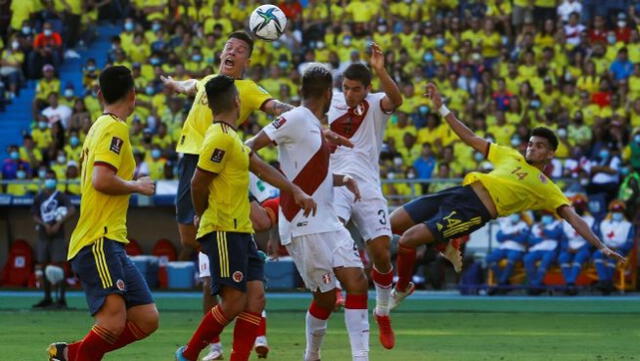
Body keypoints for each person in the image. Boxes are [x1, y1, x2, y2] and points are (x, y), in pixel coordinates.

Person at [389, 83, 625, 309]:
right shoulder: (511, 155)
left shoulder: (547, 187)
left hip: (473, 211)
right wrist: (441, 107)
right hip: (459, 193)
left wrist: (601, 245)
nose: (532, 147)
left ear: (551, 154)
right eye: (531, 143)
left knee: (408, 240)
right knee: (391, 224)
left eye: (540, 146)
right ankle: (444, 242)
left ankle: (401, 287)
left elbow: (574, 218)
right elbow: (470, 138)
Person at [175, 75, 316, 361]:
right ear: (237, 101)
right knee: (233, 302)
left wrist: (295, 190)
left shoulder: (232, 139)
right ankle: (189, 354)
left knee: (255, 299)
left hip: (241, 231)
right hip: (224, 229)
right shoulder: (218, 138)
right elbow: (197, 182)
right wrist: (201, 214)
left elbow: (263, 169)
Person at [247, 63, 370, 361]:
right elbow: (246, 149)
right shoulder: (294, 119)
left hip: (328, 221)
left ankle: (361, 358)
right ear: (329, 93)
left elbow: (307, 170)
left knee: (357, 282)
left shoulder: (313, 124)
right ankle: (311, 355)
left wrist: (342, 179)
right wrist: (285, 191)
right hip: (303, 225)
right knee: (325, 299)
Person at [47, 66, 158, 361]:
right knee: (111, 322)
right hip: (99, 238)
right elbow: (101, 179)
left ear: (99, 95)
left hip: (111, 240)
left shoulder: (98, 125)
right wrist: (138, 185)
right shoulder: (115, 127)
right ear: (133, 95)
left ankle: (70, 355)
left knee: (147, 318)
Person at [326, 43, 403, 349]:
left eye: (356, 89)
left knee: (381, 252)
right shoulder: (328, 102)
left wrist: (381, 70)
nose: (349, 95)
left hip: (368, 184)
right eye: (345, 88)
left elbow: (397, 99)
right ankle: (335, 289)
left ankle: (382, 311)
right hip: (337, 183)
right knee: (333, 233)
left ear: (367, 88)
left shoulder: (376, 104)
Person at [31, 170, 75, 309]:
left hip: (58, 235)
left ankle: (61, 299)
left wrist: (58, 223)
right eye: (47, 177)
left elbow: (72, 210)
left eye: (52, 178)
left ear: (56, 180)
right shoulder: (40, 196)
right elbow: (34, 215)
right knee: (43, 265)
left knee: (59, 265)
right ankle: (47, 297)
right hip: (43, 235)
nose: (49, 180)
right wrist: (44, 224)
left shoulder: (61, 196)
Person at [593, 200, 635, 295]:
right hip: (606, 248)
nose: (617, 214)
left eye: (619, 212)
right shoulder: (604, 223)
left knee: (613, 258)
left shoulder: (628, 225)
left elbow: (629, 243)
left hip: (620, 250)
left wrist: (618, 248)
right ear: (611, 212)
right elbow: (599, 239)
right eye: (615, 212)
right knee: (597, 255)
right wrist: (605, 247)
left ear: (623, 212)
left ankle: (607, 282)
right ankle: (605, 281)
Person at [558, 194, 595, 295]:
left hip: (583, 248)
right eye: (577, 206)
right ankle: (570, 284)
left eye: (581, 206)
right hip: (569, 247)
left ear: (585, 207)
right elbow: (563, 238)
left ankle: (570, 283)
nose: (579, 208)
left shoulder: (591, 220)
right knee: (562, 258)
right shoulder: (567, 218)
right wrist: (567, 247)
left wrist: (581, 248)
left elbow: (593, 239)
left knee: (579, 258)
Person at [486, 213, 529, 295]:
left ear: (519, 216)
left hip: (517, 248)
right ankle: (503, 282)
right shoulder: (506, 224)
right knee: (489, 259)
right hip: (503, 248)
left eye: (516, 214)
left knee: (511, 259)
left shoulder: (523, 225)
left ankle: (501, 283)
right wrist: (514, 234)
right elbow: (499, 237)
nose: (513, 216)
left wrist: (507, 236)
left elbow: (523, 239)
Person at [523, 211, 563, 295]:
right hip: (537, 250)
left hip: (550, 250)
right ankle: (536, 284)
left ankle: (535, 285)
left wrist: (544, 230)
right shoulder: (535, 225)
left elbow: (555, 235)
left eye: (548, 215)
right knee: (527, 258)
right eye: (544, 215)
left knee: (546, 260)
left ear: (552, 216)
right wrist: (541, 239)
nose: (545, 217)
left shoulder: (557, 224)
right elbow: (530, 240)